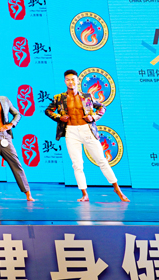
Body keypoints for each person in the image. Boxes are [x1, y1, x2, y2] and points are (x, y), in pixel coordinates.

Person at [44, 69, 129, 202]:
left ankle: (117, 189)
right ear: (65, 81)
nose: (70, 82)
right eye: (68, 80)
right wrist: (59, 117)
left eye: (73, 79)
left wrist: (93, 117)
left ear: (77, 81)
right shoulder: (59, 98)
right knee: (77, 164)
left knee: (102, 160)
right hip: (71, 131)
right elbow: (48, 111)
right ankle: (84, 194)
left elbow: (102, 107)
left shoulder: (86, 96)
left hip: (87, 129)